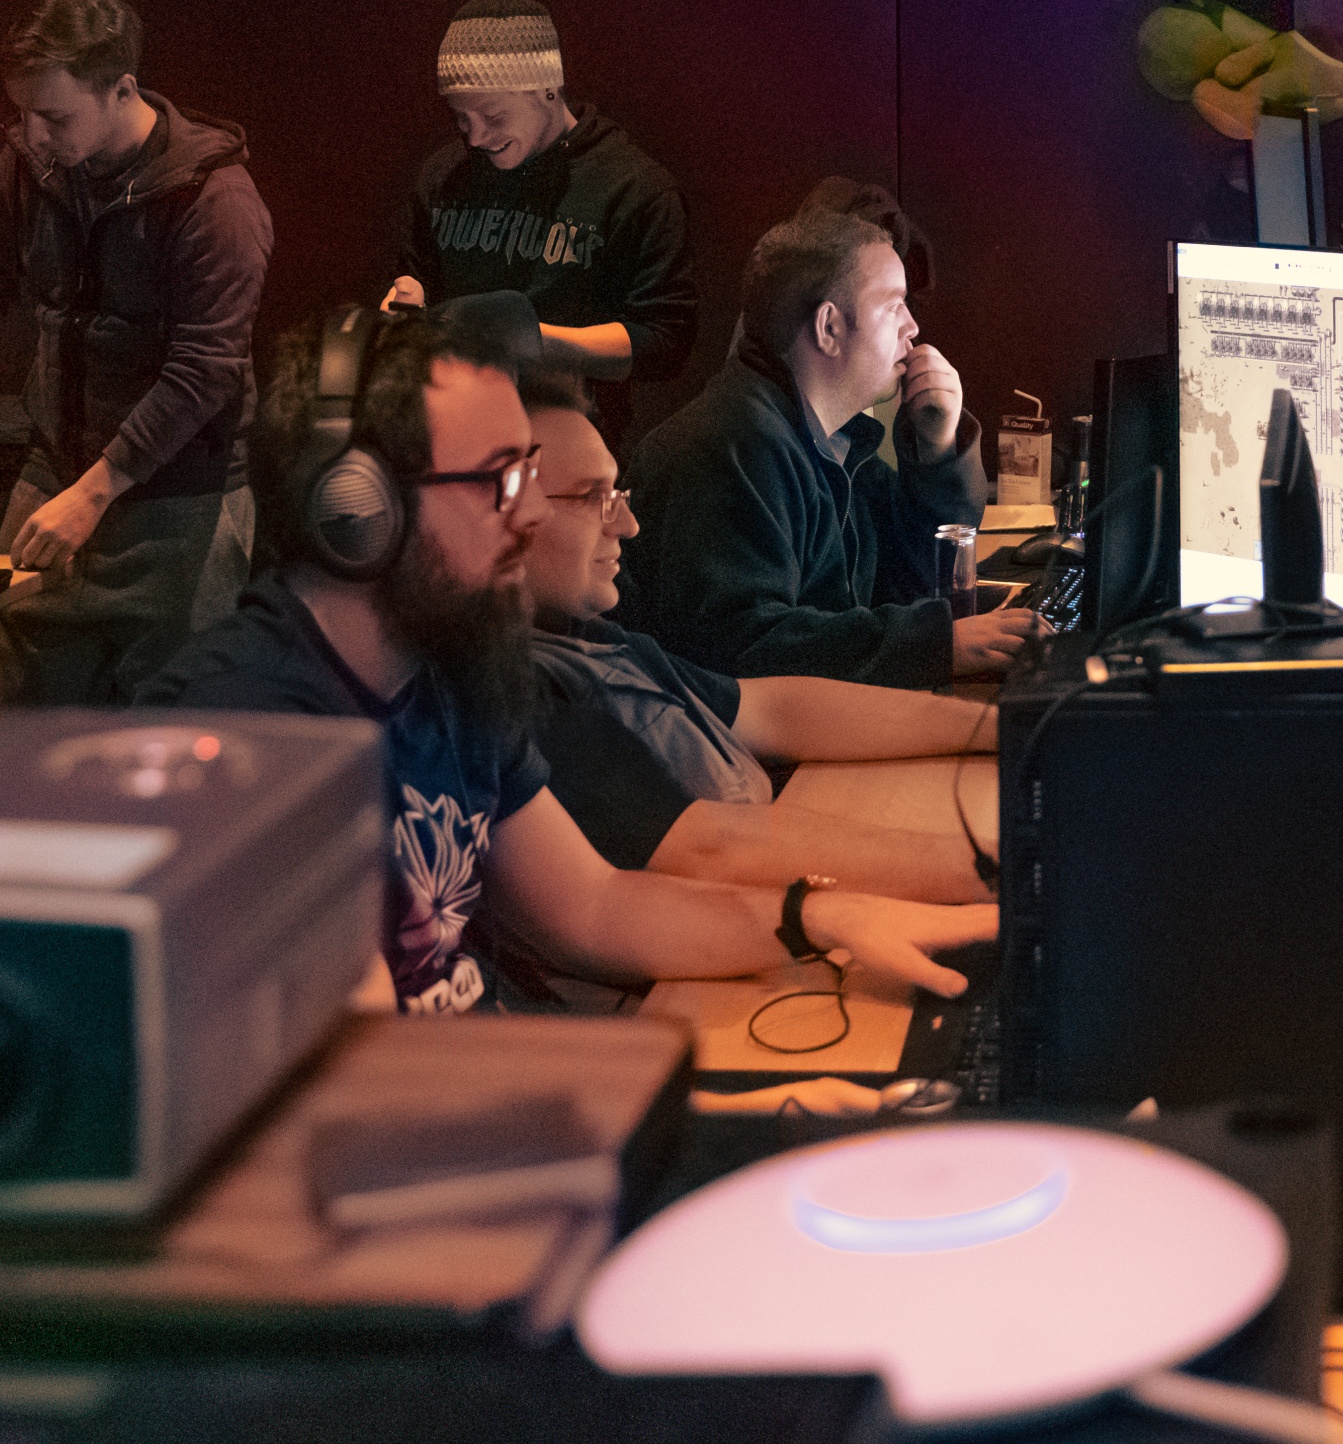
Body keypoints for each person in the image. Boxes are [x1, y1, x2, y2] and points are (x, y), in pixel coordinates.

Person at [137, 307, 993, 1012]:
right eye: (499, 481)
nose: (534, 516)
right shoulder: (241, 737)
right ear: (357, 512)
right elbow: (338, 1082)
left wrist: (821, 917)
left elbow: (592, 906)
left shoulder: (449, 666)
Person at [0, 0, 271, 703]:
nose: (33, 134)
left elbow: (204, 371)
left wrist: (94, 494)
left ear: (122, 90)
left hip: (181, 500)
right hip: (55, 480)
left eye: (54, 116)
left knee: (173, 733)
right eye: (22, 113)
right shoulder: (31, 166)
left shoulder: (216, 200)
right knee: (31, 725)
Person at [514, 345, 995, 900]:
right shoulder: (532, 688)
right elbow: (710, 846)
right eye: (590, 497)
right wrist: (1005, 870)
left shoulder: (598, 640)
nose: (628, 524)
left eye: (615, 492)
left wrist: (998, 727)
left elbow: (774, 707)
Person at [618, 205, 1038, 686]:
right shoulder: (731, 448)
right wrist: (937, 645)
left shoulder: (835, 441)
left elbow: (910, 583)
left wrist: (938, 449)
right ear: (829, 328)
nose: (912, 327)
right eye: (893, 306)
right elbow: (746, 649)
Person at [384, 0, 695, 437]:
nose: (475, 136)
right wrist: (405, 304)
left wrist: (530, 340)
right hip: (453, 437)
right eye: (460, 117)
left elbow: (665, 342)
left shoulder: (633, 188)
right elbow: (414, 280)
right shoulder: (444, 176)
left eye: (493, 115)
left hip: (571, 447)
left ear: (548, 90)